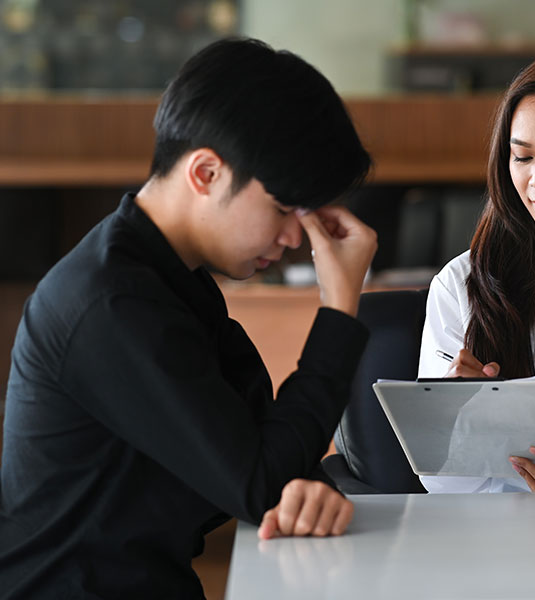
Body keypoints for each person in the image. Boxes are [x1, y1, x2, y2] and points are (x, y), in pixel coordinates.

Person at [0, 38, 377, 599]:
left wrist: (307, 487)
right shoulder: (112, 301)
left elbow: (269, 456)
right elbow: (260, 480)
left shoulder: (173, 278)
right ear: (205, 172)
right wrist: (339, 306)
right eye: (281, 209)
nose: (295, 237)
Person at [418, 48, 535, 494]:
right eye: (522, 157)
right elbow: (440, 485)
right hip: (504, 545)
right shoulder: (462, 285)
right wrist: (457, 417)